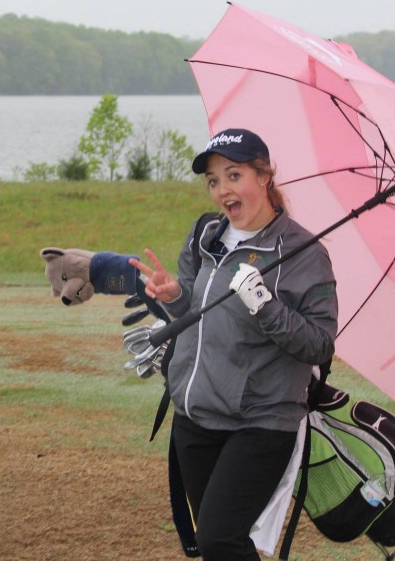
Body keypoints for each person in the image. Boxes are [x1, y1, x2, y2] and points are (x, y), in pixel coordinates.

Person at [129, 128, 338, 561]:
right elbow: (198, 312)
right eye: (213, 181)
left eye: (234, 175)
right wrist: (175, 297)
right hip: (197, 414)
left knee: (219, 540)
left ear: (264, 177)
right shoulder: (207, 234)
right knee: (222, 544)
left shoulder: (302, 252)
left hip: (261, 421)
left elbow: (319, 344)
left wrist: (265, 304)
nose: (222, 189)